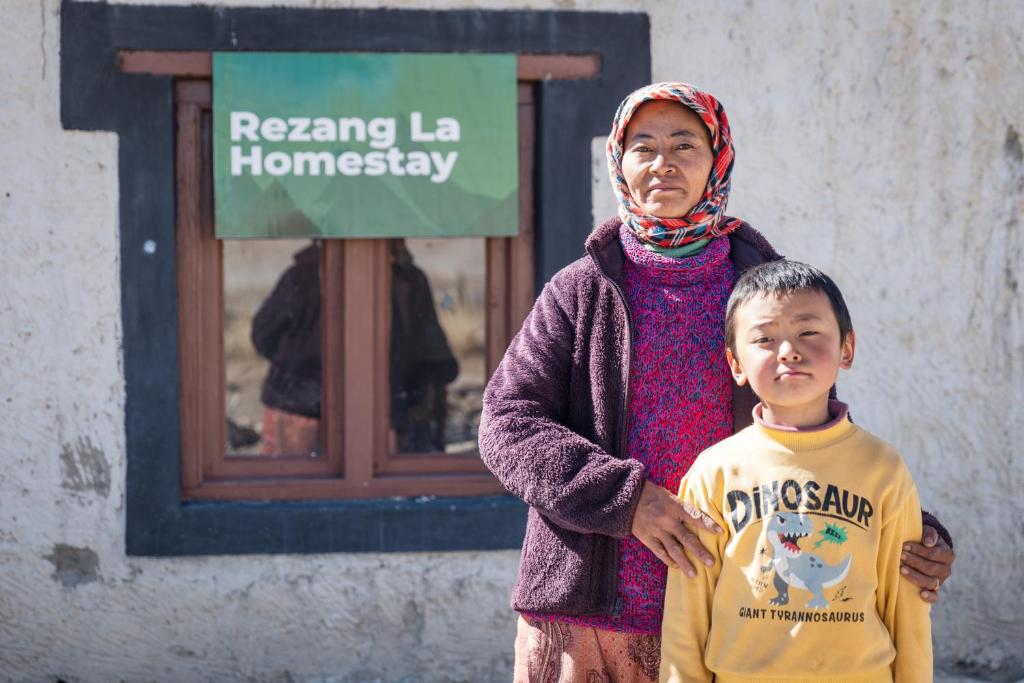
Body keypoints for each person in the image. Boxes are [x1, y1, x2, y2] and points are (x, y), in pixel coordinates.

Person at [477, 82, 954, 681]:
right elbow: (507, 424)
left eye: (685, 144)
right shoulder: (582, 289)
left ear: (717, 159)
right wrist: (628, 501)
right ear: (619, 164)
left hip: (731, 613)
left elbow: (813, 430)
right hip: (589, 612)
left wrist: (910, 529)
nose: (663, 163)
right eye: (643, 147)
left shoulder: (764, 286)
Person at [661, 259, 931, 682]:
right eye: (765, 338)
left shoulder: (883, 468)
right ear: (735, 364)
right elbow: (687, 613)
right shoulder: (714, 471)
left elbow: (908, 608)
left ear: (847, 348)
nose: (788, 349)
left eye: (808, 331)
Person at [251, 240, 458, 455]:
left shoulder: (301, 276)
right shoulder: (407, 279)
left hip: (307, 405)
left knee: (296, 482)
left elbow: (264, 335)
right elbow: (433, 354)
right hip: (363, 409)